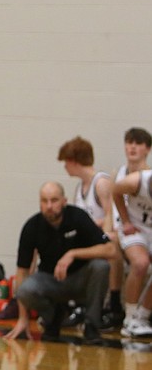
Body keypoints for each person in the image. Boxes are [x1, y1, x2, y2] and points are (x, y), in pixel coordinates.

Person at [5, 181, 113, 343]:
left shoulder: (78, 217)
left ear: (64, 201)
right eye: (44, 201)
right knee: (24, 290)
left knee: (101, 266)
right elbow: (22, 271)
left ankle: (91, 324)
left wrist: (73, 254)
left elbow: (110, 250)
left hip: (81, 280)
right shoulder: (32, 226)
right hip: (51, 281)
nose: (49, 206)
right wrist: (23, 318)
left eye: (54, 200)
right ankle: (53, 318)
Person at [57, 136, 114, 327]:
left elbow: (111, 215)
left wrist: (101, 235)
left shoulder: (101, 183)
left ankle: (105, 307)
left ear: (73, 160)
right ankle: (70, 304)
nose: (65, 167)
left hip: (105, 237)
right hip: (88, 237)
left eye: (66, 162)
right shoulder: (80, 187)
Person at [109, 135, 152, 339]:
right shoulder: (137, 181)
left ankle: (143, 316)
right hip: (135, 227)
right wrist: (125, 221)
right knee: (141, 263)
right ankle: (130, 316)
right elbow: (114, 191)